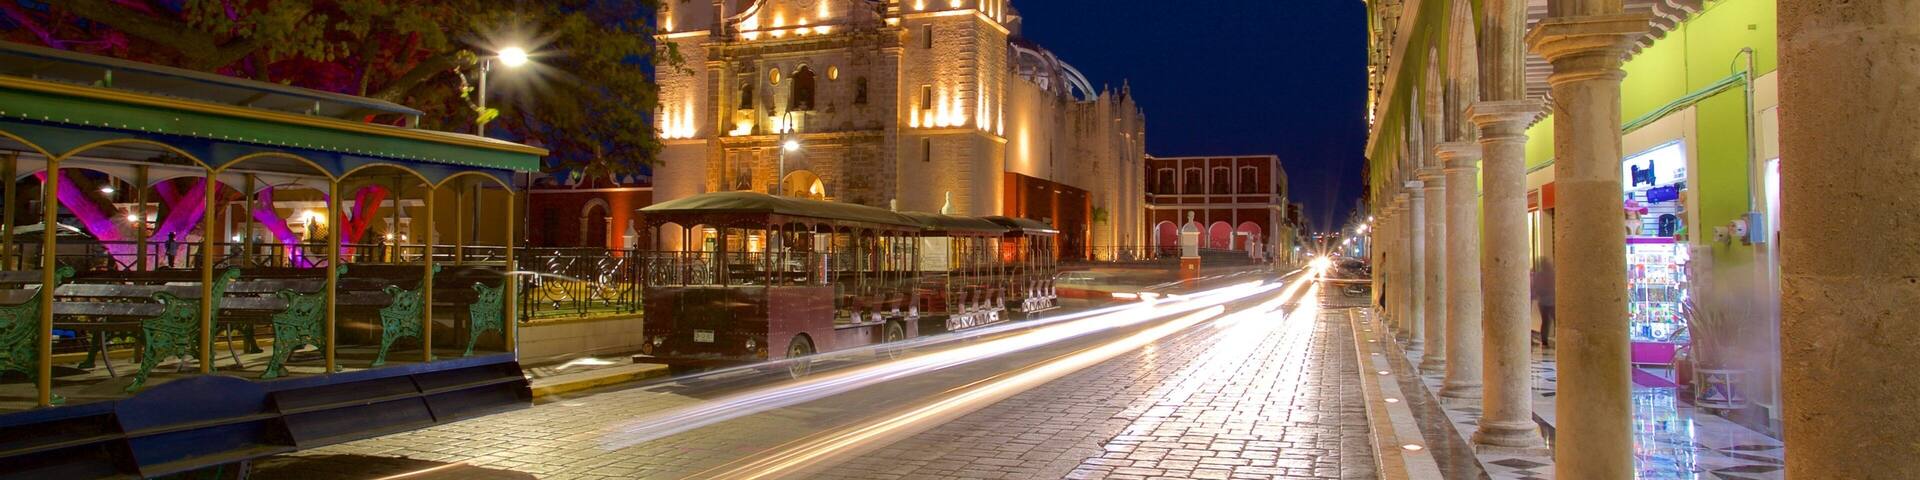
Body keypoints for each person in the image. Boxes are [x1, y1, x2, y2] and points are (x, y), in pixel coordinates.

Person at [1532, 261, 1556, 348]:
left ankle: (1545, 342)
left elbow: (1536, 287)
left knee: (1546, 322)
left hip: (1544, 301)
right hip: (1549, 301)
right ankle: (1546, 342)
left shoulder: (1539, 275)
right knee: (1551, 321)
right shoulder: (1551, 274)